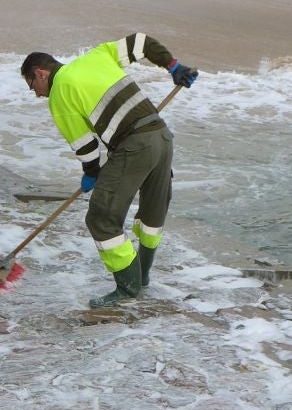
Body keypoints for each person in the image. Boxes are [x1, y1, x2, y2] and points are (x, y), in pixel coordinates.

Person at [19, 34, 199, 307]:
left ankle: (128, 290)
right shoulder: (97, 55)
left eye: (32, 86)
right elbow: (142, 43)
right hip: (161, 137)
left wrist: (93, 173)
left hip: (136, 145)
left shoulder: (58, 93)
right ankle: (143, 276)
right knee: (152, 214)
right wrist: (174, 66)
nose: (36, 93)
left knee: (101, 217)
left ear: (41, 74)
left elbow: (85, 146)